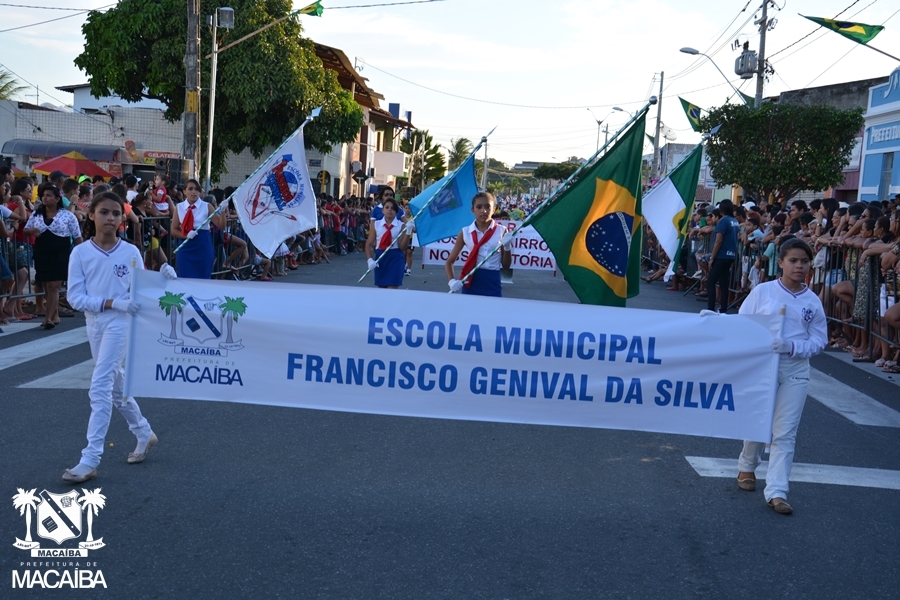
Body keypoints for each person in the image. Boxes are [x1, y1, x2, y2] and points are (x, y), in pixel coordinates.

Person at [62, 191, 177, 483]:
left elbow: (143, 288)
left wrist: (163, 277)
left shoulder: (130, 252)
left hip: (120, 324)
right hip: (96, 322)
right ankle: (143, 432)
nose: (110, 218)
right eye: (104, 212)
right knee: (115, 386)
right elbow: (75, 297)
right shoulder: (81, 252)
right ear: (91, 215)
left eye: (116, 213)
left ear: (122, 218)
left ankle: (90, 459)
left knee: (99, 386)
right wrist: (111, 302)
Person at [735, 238, 827, 514]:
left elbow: (820, 339)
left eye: (804, 261)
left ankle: (777, 491)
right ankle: (746, 467)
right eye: (793, 261)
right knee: (758, 420)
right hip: (764, 366)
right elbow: (743, 323)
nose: (799, 266)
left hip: (795, 369)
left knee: (784, 432)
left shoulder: (812, 301)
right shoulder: (763, 292)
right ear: (782, 263)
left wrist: (794, 347)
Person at [23, 184, 83, 330]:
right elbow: (25, 230)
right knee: (46, 285)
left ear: (57, 199)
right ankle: (55, 315)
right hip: (42, 252)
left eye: (49, 195)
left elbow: (77, 236)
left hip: (60, 253)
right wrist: (32, 231)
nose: (45, 198)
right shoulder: (36, 214)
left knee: (54, 286)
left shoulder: (67, 215)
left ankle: (48, 318)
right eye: (43, 195)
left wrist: (82, 254)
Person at [445, 192, 512, 297]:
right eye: (479, 207)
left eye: (487, 207)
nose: (483, 211)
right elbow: (449, 261)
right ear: (473, 210)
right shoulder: (465, 232)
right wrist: (451, 281)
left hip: (492, 283)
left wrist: (507, 247)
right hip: (470, 281)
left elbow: (506, 266)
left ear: (494, 209)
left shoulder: (501, 231)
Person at [170, 179, 225, 279]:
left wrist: (224, 211)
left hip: (203, 245)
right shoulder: (179, 207)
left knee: (202, 278)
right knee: (184, 277)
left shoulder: (207, 206)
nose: (194, 192)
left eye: (197, 189)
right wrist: (186, 235)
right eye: (190, 189)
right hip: (185, 246)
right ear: (184, 191)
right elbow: (173, 229)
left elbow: (220, 225)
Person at [365, 197, 411, 289]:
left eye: (393, 208)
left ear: (397, 212)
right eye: (387, 207)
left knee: (392, 290)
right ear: (383, 210)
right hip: (381, 257)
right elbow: (368, 244)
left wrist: (408, 232)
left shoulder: (401, 226)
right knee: (381, 290)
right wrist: (369, 260)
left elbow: (402, 247)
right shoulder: (376, 224)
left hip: (396, 258)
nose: (390, 210)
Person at [707, 199, 740, 313]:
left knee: (711, 281)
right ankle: (723, 308)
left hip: (721, 255)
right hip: (730, 255)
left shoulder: (723, 221)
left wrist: (712, 257)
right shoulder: (735, 221)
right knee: (723, 283)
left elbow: (718, 240)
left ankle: (710, 308)